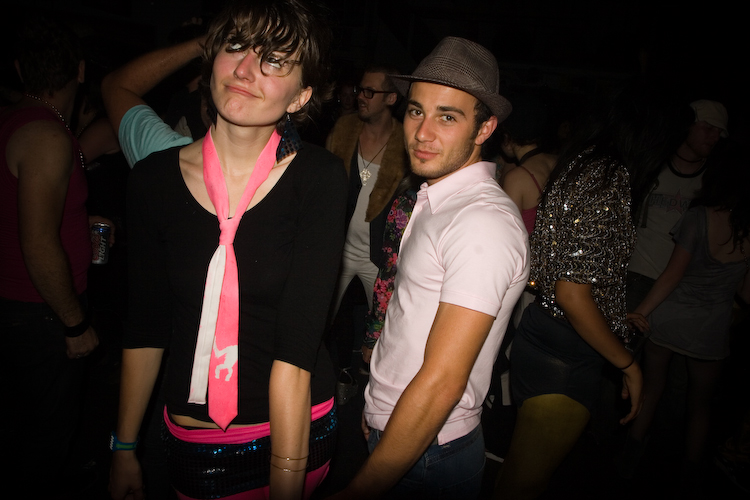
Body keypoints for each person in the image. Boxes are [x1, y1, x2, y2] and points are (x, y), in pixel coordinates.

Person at [107, 2, 347, 500]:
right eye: (236, 47)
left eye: (274, 59)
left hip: (295, 431)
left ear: (301, 96)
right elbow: (146, 325)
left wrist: (286, 480)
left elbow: (297, 348)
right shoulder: (153, 180)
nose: (245, 69)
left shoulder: (318, 179)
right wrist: (124, 446)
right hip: (194, 443)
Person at [329, 36, 529, 499]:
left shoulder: (481, 222)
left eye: (448, 116)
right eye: (417, 111)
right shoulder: (437, 197)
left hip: (429, 451)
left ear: (485, 128)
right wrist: (378, 405)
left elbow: (442, 384)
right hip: (404, 428)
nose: (422, 132)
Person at [494, 86, 679, 499]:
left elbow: (568, 269)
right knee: (524, 485)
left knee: (520, 473)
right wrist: (629, 365)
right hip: (564, 354)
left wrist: (611, 314)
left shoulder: (581, 162)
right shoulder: (608, 178)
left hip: (544, 334)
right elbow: (572, 294)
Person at [0, 15, 102, 495]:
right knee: (43, 438)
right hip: (38, 314)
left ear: (21, 69)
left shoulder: (17, 122)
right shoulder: (46, 136)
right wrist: (75, 324)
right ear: (79, 71)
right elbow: (38, 242)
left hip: (18, 308)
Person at [621, 151, 750, 486]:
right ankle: (688, 477)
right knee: (700, 406)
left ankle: (626, 467)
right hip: (710, 329)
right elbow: (745, 291)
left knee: (651, 389)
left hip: (670, 319)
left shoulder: (698, 217)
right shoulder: (746, 228)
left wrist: (640, 311)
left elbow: (672, 274)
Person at [324, 63, 408, 387]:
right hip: (338, 249)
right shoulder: (344, 130)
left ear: (391, 98)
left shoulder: (405, 142)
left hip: (379, 258)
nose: (361, 96)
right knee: (316, 321)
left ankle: (374, 392)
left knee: (387, 336)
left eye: (370, 91)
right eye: (361, 89)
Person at [627, 99, 728, 312]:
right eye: (709, 128)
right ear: (688, 125)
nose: (714, 137)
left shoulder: (715, 181)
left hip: (683, 289)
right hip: (636, 276)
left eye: (719, 132)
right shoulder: (652, 165)